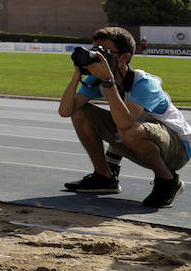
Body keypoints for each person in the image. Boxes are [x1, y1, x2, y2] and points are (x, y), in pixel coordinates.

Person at [58, 27, 191, 208]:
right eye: (95, 51)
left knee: (129, 129)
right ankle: (104, 176)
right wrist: (77, 73)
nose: (98, 57)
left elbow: (125, 122)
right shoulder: (97, 79)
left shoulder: (144, 83)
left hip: (176, 150)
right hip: (140, 137)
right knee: (80, 112)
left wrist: (108, 82)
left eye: (104, 53)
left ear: (124, 57)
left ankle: (168, 181)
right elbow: (66, 111)